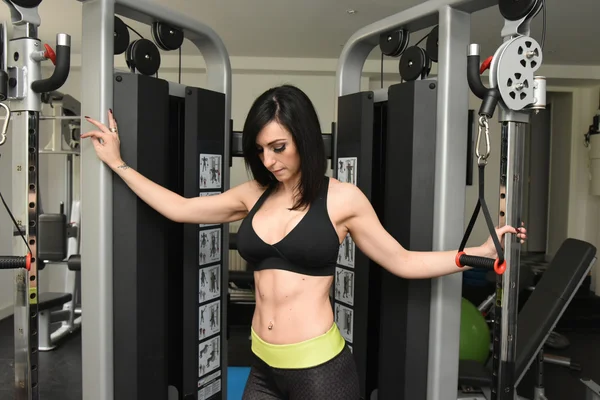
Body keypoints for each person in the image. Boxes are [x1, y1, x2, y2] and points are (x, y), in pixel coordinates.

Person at [81, 84, 527, 399]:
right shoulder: (252, 195)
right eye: (259, 150)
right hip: (262, 366)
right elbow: (179, 208)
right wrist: (118, 163)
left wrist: (476, 255)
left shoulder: (342, 199)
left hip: (320, 373)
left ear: (305, 140)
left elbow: (402, 260)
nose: (268, 160)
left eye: (278, 147)